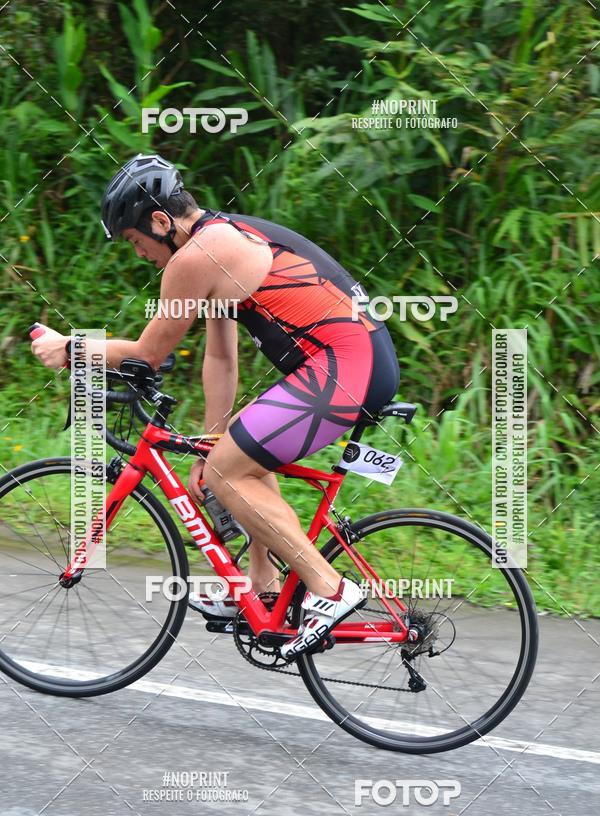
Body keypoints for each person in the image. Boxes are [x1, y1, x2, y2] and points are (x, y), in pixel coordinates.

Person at [31, 153, 400, 658]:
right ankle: (262, 589)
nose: (139, 254)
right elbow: (222, 356)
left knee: (228, 474)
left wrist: (71, 349)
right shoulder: (222, 235)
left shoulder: (193, 260)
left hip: (347, 368)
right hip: (352, 362)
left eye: (136, 242)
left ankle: (331, 589)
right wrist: (212, 438)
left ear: (160, 222)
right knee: (233, 458)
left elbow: (149, 354)